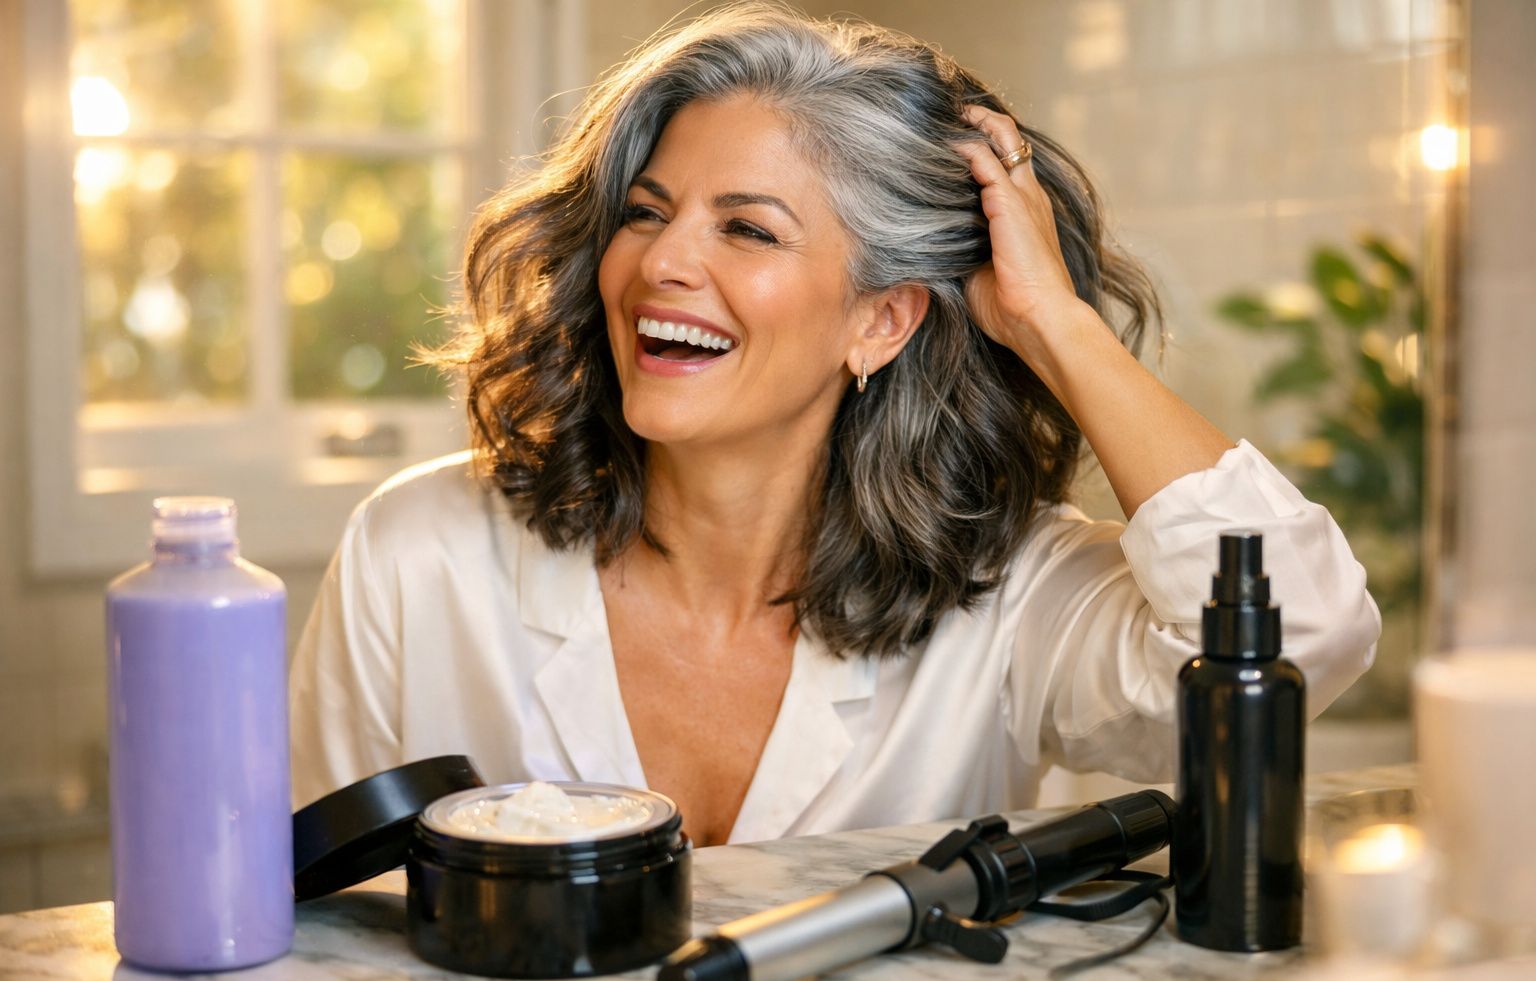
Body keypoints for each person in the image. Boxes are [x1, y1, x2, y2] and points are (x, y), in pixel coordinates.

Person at [289, 4, 1380, 846]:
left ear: (881, 320)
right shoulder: (417, 552)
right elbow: (323, 930)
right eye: (645, 212)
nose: (662, 263)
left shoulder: (1005, 599)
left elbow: (1307, 633)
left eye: (748, 230)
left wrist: (1054, 323)